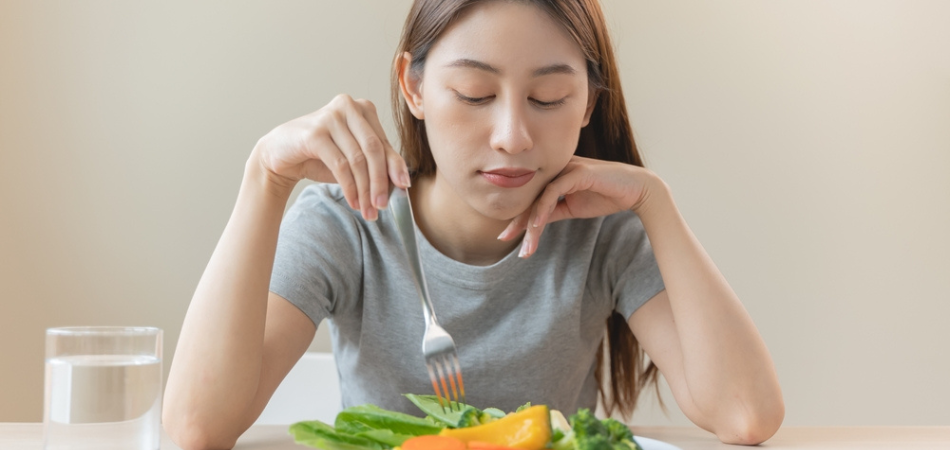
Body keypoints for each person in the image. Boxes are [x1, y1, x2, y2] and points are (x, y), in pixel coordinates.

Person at [162, 0, 785, 449]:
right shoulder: (349, 223)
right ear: (415, 87)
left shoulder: (606, 233)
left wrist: (657, 204)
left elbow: (745, 416)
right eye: (474, 94)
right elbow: (197, 428)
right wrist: (263, 177)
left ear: (588, 103)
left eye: (548, 100)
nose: (513, 136)